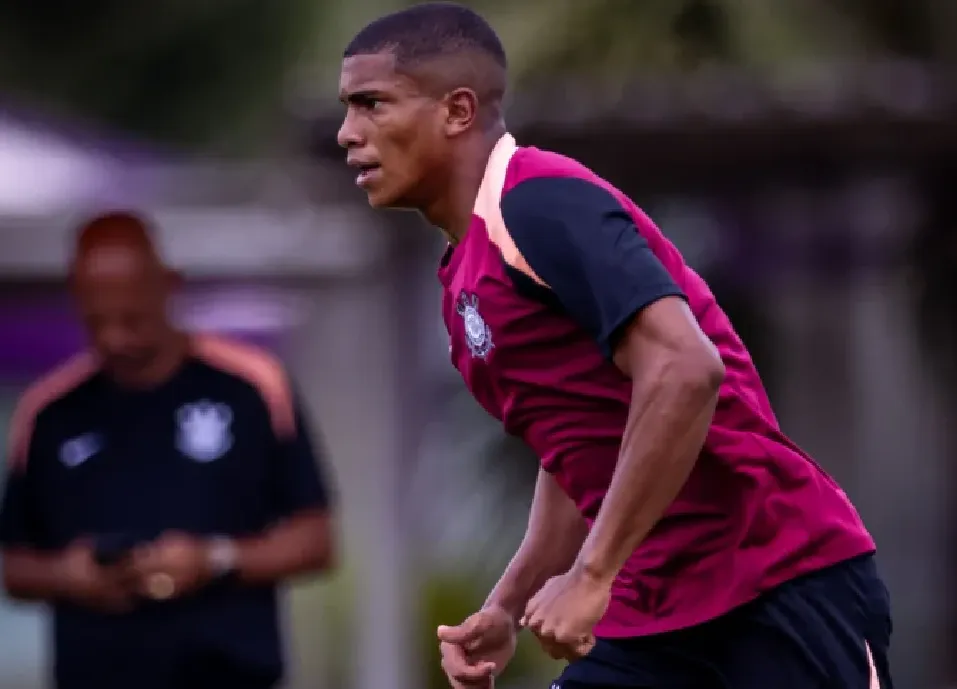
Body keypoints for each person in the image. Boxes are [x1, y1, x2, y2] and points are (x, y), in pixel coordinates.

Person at [338, 4, 892, 688]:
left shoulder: (539, 200)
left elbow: (687, 369)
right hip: (654, 609)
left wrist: (591, 574)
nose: (348, 133)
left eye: (371, 105)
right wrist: (509, 603)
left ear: (457, 111)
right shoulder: (463, 278)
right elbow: (575, 447)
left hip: (773, 581)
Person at [0, 211, 336, 689]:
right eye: (98, 322)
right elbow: (15, 564)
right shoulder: (49, 412)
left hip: (229, 675)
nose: (115, 338)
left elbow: (315, 540)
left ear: (168, 285)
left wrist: (213, 560)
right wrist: (67, 574)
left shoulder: (251, 387)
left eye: (131, 319)